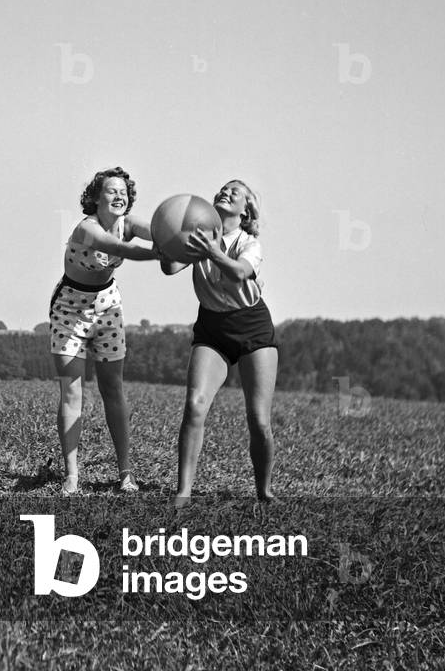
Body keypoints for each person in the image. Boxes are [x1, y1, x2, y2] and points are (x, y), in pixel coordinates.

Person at [162, 179, 277, 509]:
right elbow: (171, 267)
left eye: (236, 193)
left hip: (251, 325)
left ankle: (264, 492)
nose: (226, 193)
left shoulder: (248, 243)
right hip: (212, 327)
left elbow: (240, 273)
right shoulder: (199, 236)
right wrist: (167, 241)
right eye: (223, 190)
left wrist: (212, 251)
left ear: (245, 211)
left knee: (259, 420)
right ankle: (183, 493)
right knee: (195, 405)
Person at [50, 167, 159, 496]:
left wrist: (182, 242)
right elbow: (122, 249)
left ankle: (125, 473)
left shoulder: (129, 223)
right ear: (96, 198)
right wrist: (158, 254)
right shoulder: (87, 228)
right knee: (72, 392)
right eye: (111, 191)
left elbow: (161, 232)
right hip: (69, 307)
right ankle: (72, 475)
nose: (119, 196)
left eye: (123, 191)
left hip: (107, 306)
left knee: (113, 388)